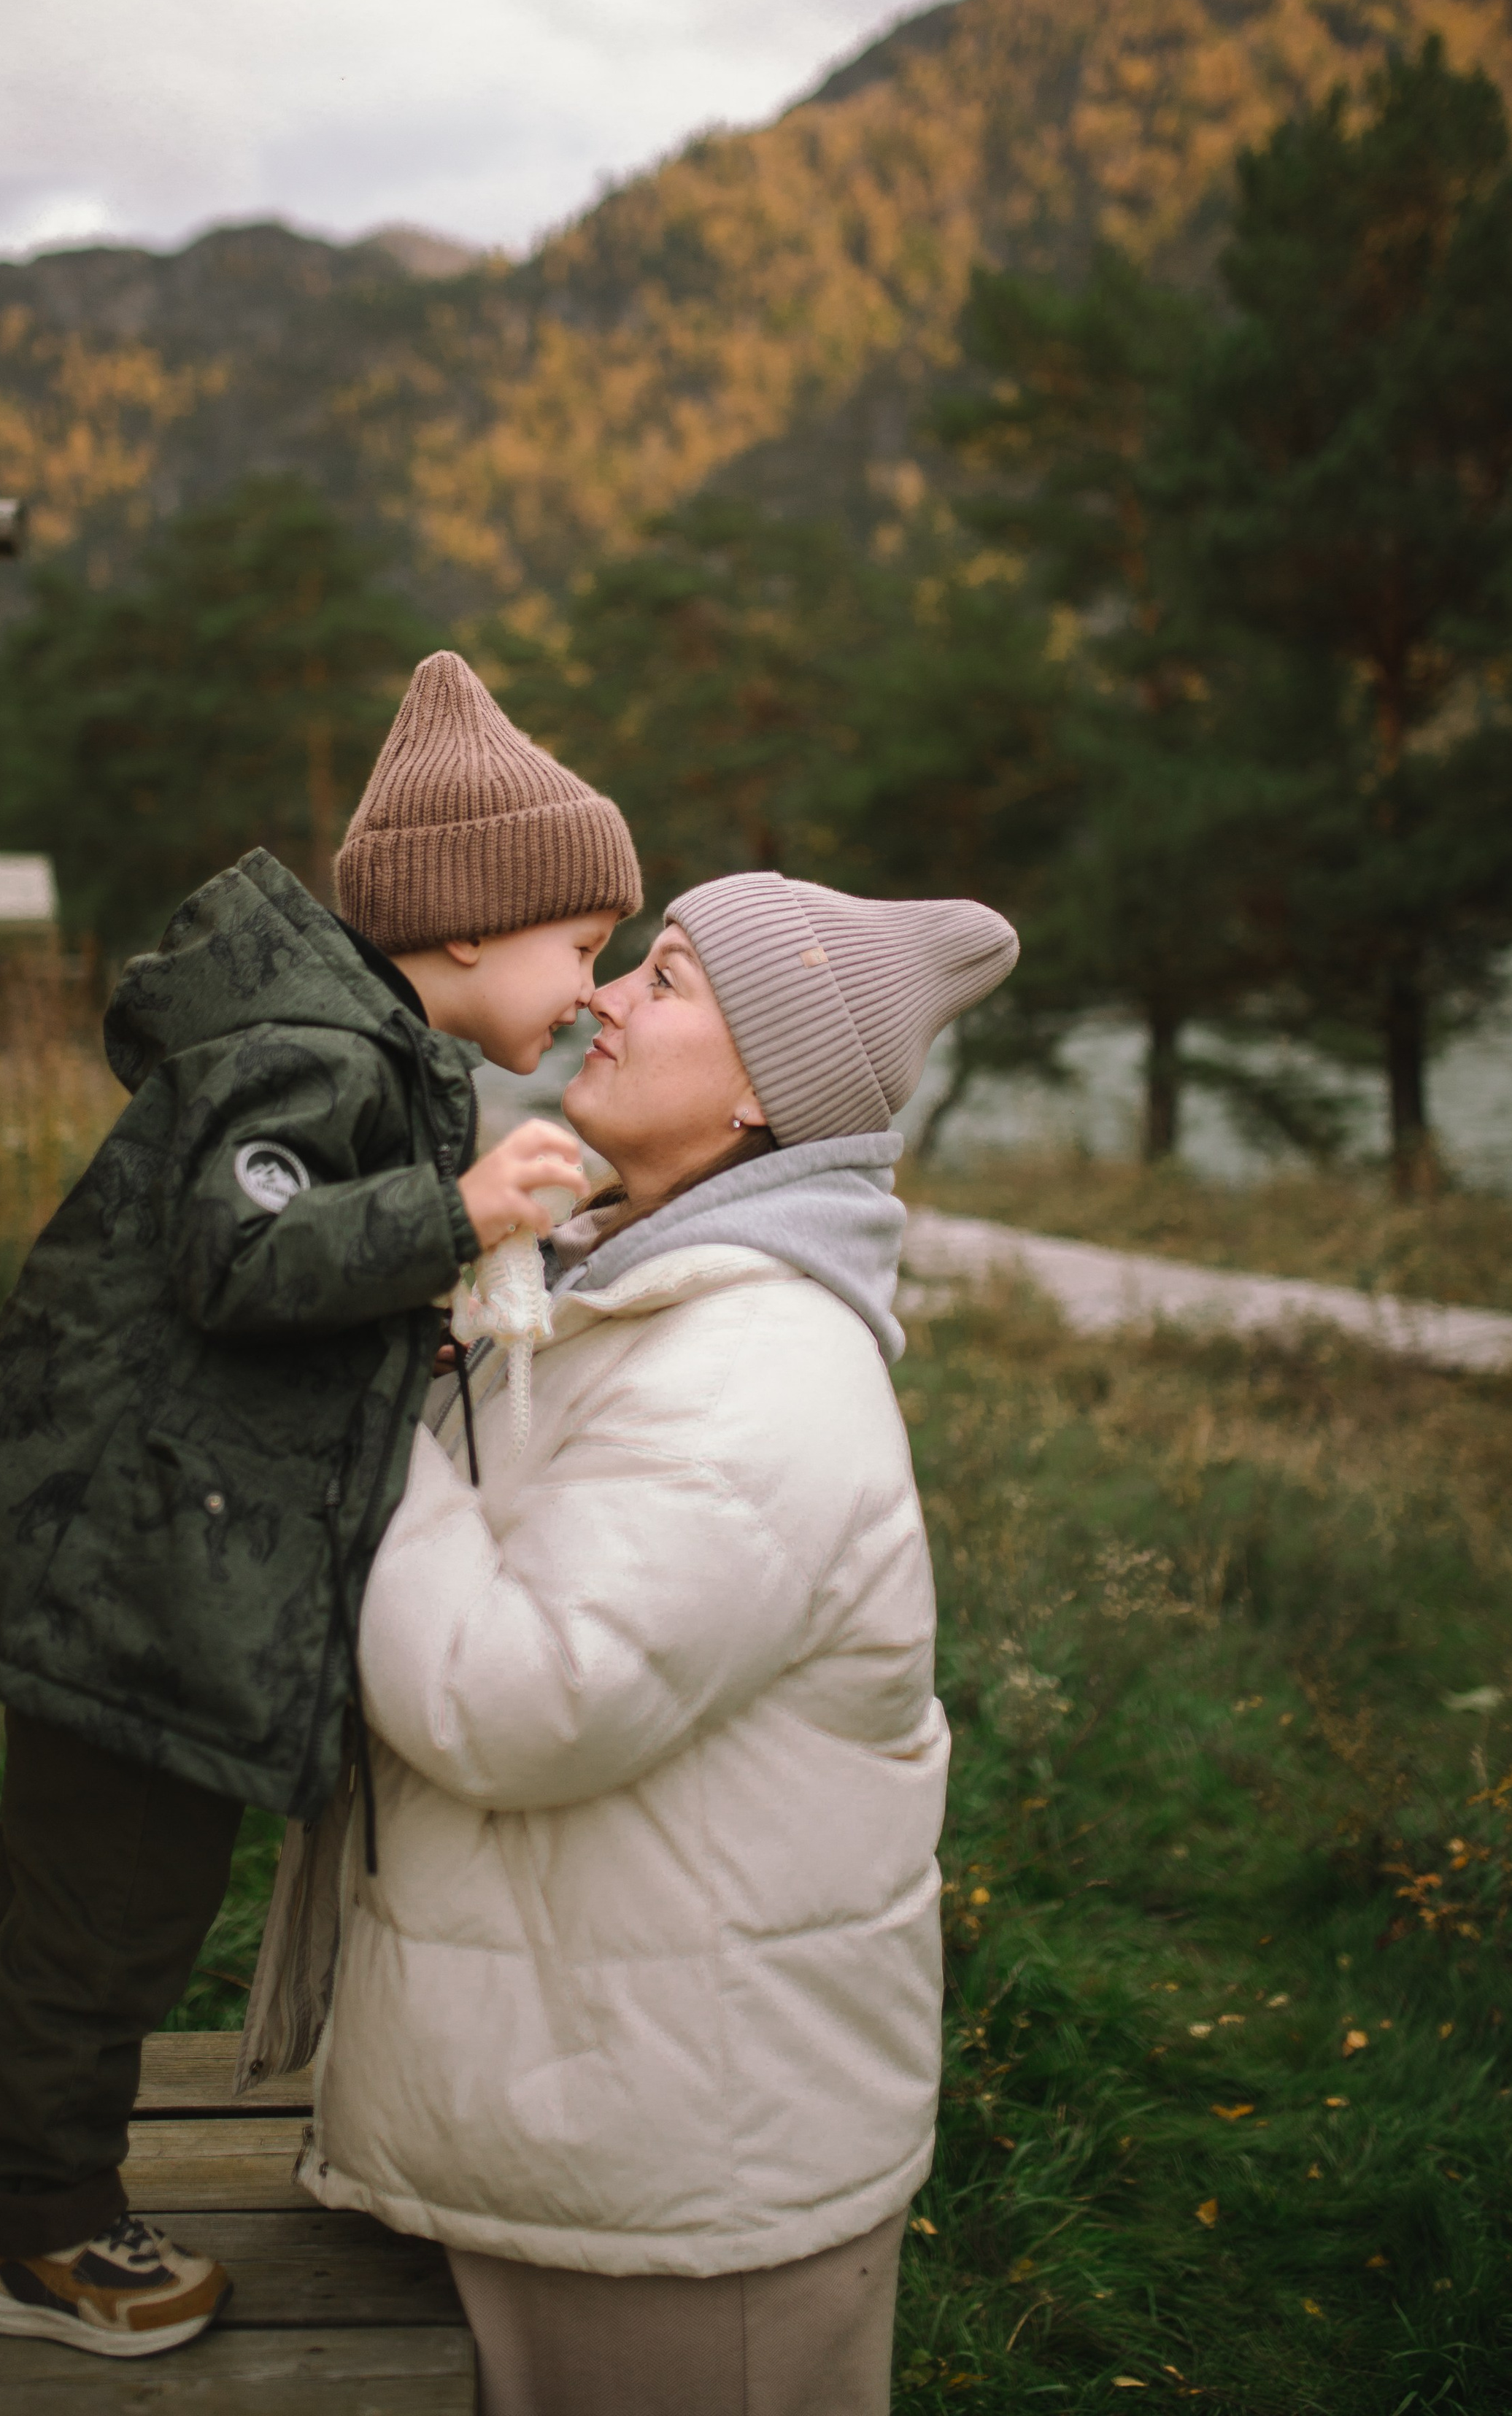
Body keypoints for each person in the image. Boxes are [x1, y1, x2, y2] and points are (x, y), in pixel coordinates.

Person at [0, 652, 641, 2359]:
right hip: (146, 1565)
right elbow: (237, 1256)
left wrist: (427, 1271)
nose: (595, 994)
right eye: (579, 950)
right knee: (116, 1914)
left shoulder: (349, 1050)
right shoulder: (306, 1056)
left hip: (136, 1546)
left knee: (47, 1875)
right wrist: (449, 1213)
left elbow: (287, 1298)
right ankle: (40, 2232)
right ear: (463, 930)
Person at [299, 870, 1019, 2416]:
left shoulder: (751, 1368)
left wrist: (366, 1427)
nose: (604, 998)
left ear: (767, 1090)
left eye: (671, 979)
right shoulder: (633, 1294)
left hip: (690, 2198)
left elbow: (517, 1700)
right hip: (603, 2125)